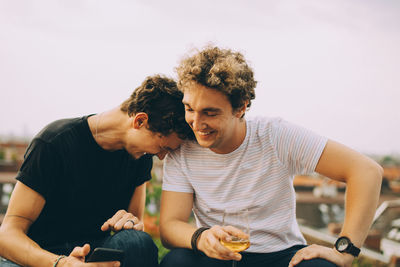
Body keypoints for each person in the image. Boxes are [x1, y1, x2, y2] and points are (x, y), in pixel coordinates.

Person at [159, 46, 383, 267]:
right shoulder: (183, 148)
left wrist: (345, 251)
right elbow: (170, 227)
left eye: (210, 112)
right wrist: (201, 238)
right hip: (218, 257)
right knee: (176, 261)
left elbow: (366, 172)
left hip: (281, 256)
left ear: (240, 108)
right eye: (189, 109)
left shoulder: (275, 136)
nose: (196, 124)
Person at [0, 75, 193, 267]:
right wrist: (62, 264)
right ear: (140, 121)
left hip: (94, 256)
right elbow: (7, 235)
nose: (161, 156)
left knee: (137, 242)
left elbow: (134, 225)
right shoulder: (54, 142)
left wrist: (130, 222)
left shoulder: (140, 156)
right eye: (163, 147)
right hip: (38, 257)